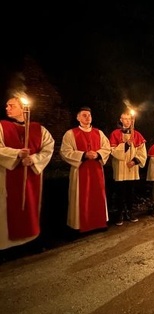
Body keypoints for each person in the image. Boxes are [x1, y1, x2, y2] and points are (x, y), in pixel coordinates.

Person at [0, 95, 55, 250]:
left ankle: (31, 241)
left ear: (23, 108)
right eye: (7, 105)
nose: (7, 108)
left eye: (11, 105)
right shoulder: (1, 126)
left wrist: (34, 159)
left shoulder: (39, 129)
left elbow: (48, 148)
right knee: (6, 212)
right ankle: (7, 247)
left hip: (32, 177)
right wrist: (16, 154)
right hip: (7, 177)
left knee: (31, 207)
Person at [60, 106, 111, 233]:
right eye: (84, 115)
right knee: (80, 197)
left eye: (89, 115)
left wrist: (98, 154)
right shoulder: (71, 133)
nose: (87, 117)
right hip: (80, 170)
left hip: (96, 169)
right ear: (78, 118)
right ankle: (79, 225)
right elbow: (65, 152)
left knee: (98, 195)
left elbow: (107, 147)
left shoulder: (99, 133)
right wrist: (83, 155)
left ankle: (99, 223)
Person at [109, 110, 147, 225]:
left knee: (130, 191)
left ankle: (130, 212)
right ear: (121, 120)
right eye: (125, 119)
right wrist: (125, 145)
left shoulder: (137, 134)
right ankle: (119, 213)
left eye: (129, 119)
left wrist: (135, 161)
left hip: (131, 168)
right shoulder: (115, 134)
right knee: (120, 192)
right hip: (120, 167)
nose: (127, 121)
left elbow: (142, 152)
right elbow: (112, 150)